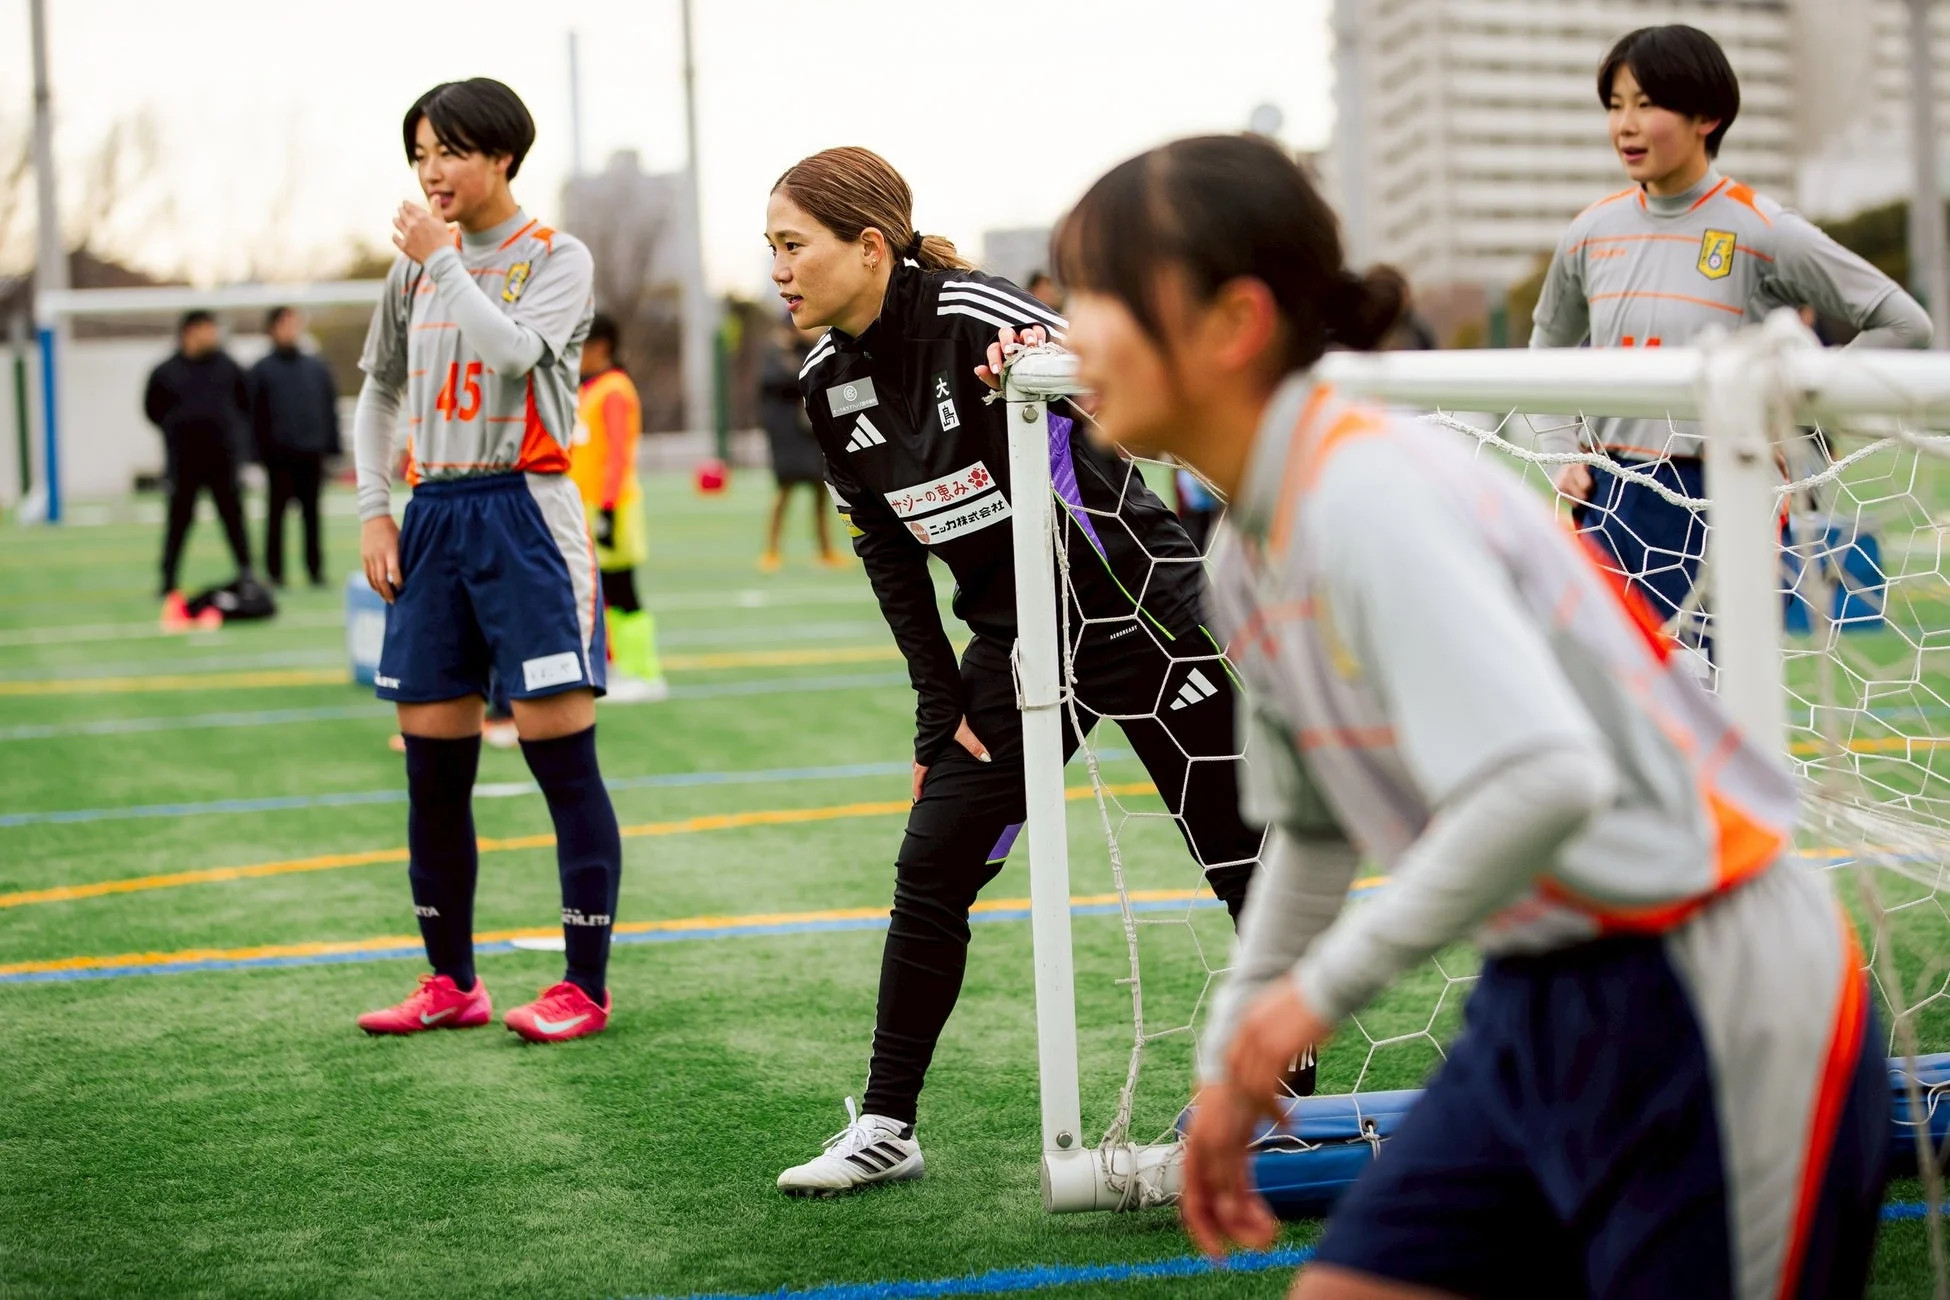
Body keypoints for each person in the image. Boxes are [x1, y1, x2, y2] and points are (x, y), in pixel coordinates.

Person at [1055, 133, 1885, 1299]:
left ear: (1234, 322)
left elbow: (1547, 778)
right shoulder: (1246, 550)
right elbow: (1314, 827)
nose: (1068, 333)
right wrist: (1237, 1047)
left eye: (1095, 294)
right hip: (1535, 995)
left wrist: (1313, 997)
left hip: (1707, 987)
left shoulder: (1368, 490)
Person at [764, 146, 1266, 1197]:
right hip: (1018, 646)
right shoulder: (824, 386)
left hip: (1143, 618)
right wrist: (937, 706)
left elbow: (1113, 386)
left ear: (869, 246)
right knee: (932, 864)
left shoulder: (978, 316)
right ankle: (887, 1125)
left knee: (1241, 854)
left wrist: (1052, 365)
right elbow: (888, 553)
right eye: (772, 247)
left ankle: (1280, 1094)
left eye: (793, 245)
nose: (778, 269)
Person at [352, 77, 623, 1045]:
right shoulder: (409, 272)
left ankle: (583, 986)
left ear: (503, 156)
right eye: (420, 154)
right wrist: (376, 511)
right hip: (433, 514)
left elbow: (512, 353)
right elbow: (380, 393)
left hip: (526, 513)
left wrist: (442, 261)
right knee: (432, 768)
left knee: (561, 760)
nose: (432, 171)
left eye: (451, 152)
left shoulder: (556, 257)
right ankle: (449, 980)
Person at [1531, 24, 1929, 632]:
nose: (1626, 126)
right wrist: (1560, 454)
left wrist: (1802, 402)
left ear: (1707, 117)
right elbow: (1546, 347)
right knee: (1612, 677)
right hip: (1609, 496)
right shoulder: (1590, 232)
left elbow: (1903, 322)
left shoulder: (1760, 227)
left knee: (1714, 680)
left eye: (1647, 104)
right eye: (1615, 106)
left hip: (1724, 490)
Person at [572, 311, 668, 702]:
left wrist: (608, 510)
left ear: (601, 347)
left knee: (621, 590)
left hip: (612, 507)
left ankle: (644, 672)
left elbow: (617, 455)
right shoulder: (589, 389)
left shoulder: (614, 390)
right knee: (598, 593)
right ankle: (611, 665)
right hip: (587, 505)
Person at [145, 309, 254, 629]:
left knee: (233, 519)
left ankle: (247, 573)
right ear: (190, 332)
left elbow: (244, 402)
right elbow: (152, 409)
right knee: (178, 522)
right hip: (184, 462)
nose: (213, 335)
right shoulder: (166, 371)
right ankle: (168, 580)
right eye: (207, 329)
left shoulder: (228, 367)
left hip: (222, 460)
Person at [250, 305, 341, 589]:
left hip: (311, 453)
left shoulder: (316, 367)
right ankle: (275, 573)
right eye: (285, 324)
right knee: (276, 517)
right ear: (272, 329)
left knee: (312, 516)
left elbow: (328, 407)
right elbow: (253, 414)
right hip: (278, 456)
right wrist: (256, 453)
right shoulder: (261, 370)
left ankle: (315, 570)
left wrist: (332, 446)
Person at [757, 317, 840, 570]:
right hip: (787, 435)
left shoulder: (810, 350)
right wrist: (785, 350)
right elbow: (788, 379)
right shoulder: (775, 353)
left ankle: (825, 550)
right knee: (785, 491)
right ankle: (771, 550)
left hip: (811, 432)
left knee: (822, 490)